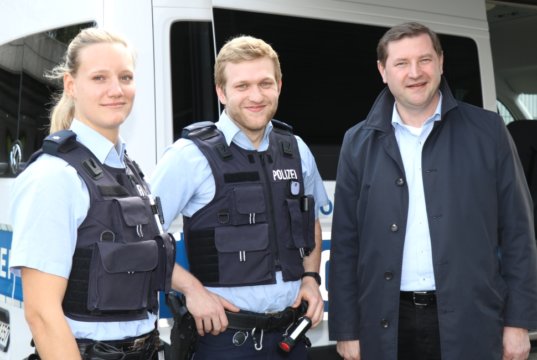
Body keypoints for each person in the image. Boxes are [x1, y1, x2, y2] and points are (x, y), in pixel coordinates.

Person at [328, 22, 537, 360]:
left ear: (441, 62)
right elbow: (345, 244)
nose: (415, 73)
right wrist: (346, 329)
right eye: (401, 63)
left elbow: (518, 233)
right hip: (386, 321)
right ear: (383, 71)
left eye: (424, 60)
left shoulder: (488, 131)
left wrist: (518, 323)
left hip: (472, 318)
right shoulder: (358, 141)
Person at [150, 35, 329, 359]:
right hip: (224, 341)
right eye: (242, 86)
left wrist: (311, 278)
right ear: (222, 91)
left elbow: (310, 221)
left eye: (265, 83)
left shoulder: (296, 150)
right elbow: (138, 235)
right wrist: (191, 289)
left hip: (290, 339)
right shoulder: (189, 156)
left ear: (279, 85)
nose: (256, 96)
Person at [9, 28, 178, 359]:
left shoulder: (128, 169)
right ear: (71, 85)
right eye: (99, 78)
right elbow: (42, 315)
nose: (116, 90)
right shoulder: (55, 176)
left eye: (125, 77)